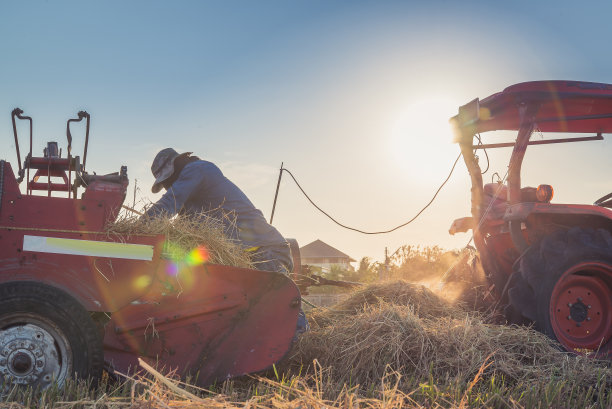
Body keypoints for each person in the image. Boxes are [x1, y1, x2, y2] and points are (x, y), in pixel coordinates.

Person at [144, 148, 308, 334]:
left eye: (166, 182)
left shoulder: (198, 169)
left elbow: (169, 203)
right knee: (253, 323)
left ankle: (304, 350)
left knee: (281, 311)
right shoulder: (195, 203)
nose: (167, 187)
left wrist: (139, 228)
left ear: (174, 169)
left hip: (264, 252)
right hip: (244, 258)